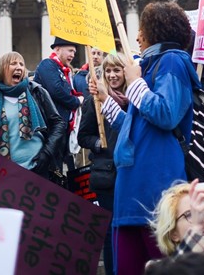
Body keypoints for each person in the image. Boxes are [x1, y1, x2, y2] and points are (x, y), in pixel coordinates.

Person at [89, 1, 198, 275]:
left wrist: (136, 82)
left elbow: (166, 114)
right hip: (130, 188)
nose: (136, 37)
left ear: (154, 31)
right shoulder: (147, 68)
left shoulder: (173, 60)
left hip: (156, 186)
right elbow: (136, 127)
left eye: (141, 30)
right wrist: (106, 99)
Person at [79, 52, 128, 275]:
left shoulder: (134, 100)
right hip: (106, 175)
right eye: (108, 71)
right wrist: (99, 142)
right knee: (110, 232)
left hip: (129, 173)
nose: (112, 75)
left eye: (116, 70)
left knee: (129, 228)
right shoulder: (94, 100)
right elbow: (83, 136)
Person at [0, 51, 65, 177]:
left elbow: (58, 123)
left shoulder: (37, 92)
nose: (19, 67)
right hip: (7, 173)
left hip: (38, 168)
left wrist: (46, 153)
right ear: (1, 70)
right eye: (13, 63)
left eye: (21, 64)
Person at [34, 36, 84, 169]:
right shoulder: (47, 65)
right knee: (53, 170)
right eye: (70, 51)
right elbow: (57, 91)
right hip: (51, 130)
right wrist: (76, 101)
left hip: (62, 130)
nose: (73, 55)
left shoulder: (64, 71)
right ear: (57, 49)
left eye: (74, 52)